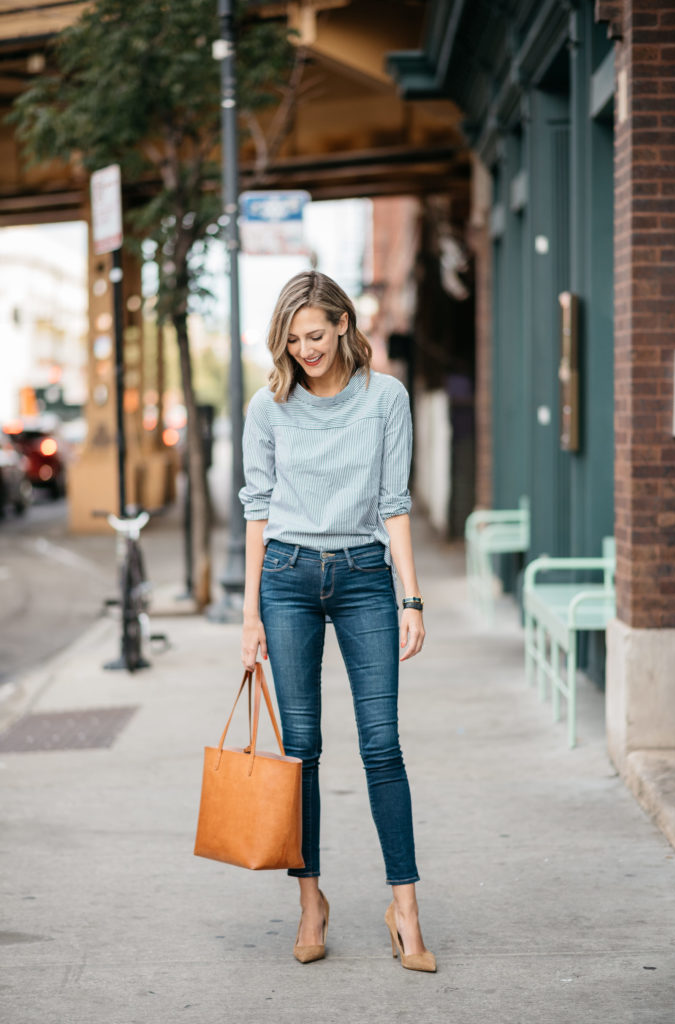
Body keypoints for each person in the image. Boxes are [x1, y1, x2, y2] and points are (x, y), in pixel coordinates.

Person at [239, 270, 435, 973]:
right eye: (292, 340)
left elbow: (394, 502)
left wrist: (410, 598)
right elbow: (256, 510)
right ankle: (310, 902)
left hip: (363, 578)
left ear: (345, 324)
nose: (304, 350)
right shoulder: (268, 406)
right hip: (287, 580)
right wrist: (249, 615)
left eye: (315, 335)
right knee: (302, 748)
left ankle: (405, 910)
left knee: (382, 744)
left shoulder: (386, 399)